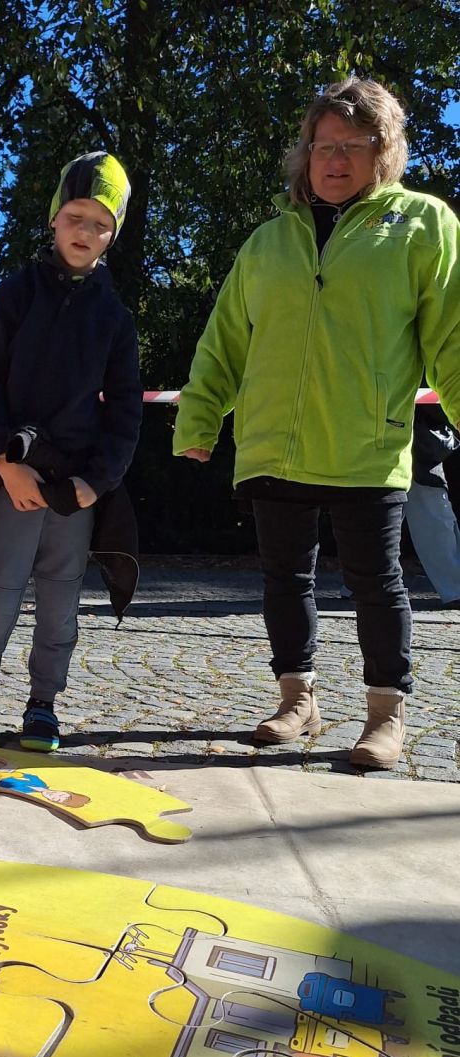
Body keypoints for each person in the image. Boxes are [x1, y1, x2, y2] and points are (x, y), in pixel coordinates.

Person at [174, 78, 460, 769]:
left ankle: (385, 715)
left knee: (377, 583)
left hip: (368, 444)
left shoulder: (423, 224)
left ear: (383, 152)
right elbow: (225, 340)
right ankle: (296, 700)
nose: (335, 159)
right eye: (323, 145)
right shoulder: (267, 242)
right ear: (305, 154)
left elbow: (453, 338)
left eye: (353, 146)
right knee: (283, 580)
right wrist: (199, 418)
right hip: (273, 443)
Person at [0, 150, 143, 754]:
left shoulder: (116, 320)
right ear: (55, 217)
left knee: (61, 600)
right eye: (76, 217)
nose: (85, 231)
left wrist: (95, 483)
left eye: (100, 223)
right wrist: (4, 464)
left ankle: (43, 706)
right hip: (14, 478)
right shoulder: (11, 298)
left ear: (113, 234)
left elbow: (126, 414)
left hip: (75, 490)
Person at [406, 404, 460, 608]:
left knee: (378, 517)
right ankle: (455, 586)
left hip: (414, 436)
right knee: (433, 513)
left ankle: (358, 583)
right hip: (418, 438)